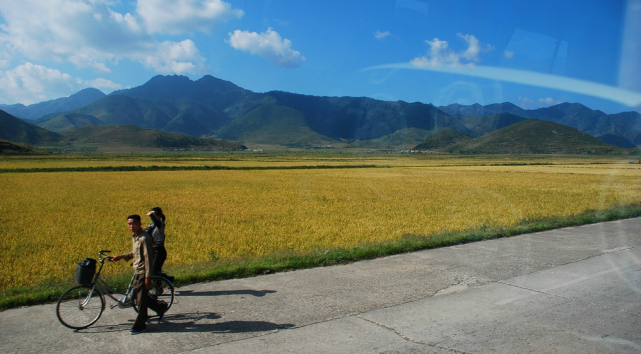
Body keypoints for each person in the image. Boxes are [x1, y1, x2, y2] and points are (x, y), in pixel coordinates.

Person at [112, 214, 168, 335]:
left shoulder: (144, 238)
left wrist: (148, 277)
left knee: (141, 301)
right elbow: (136, 253)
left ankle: (140, 326)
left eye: (134, 223)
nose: (131, 226)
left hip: (143, 273)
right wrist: (121, 257)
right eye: (129, 224)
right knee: (139, 297)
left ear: (140, 224)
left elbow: (148, 259)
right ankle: (160, 307)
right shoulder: (136, 237)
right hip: (137, 271)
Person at [145, 207, 167, 277]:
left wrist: (151, 215)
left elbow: (157, 223)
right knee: (155, 272)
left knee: (154, 271)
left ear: (159, 216)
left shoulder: (161, 224)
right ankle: (159, 288)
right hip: (152, 250)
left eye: (154, 215)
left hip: (159, 251)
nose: (152, 217)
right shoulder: (151, 225)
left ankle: (168, 280)